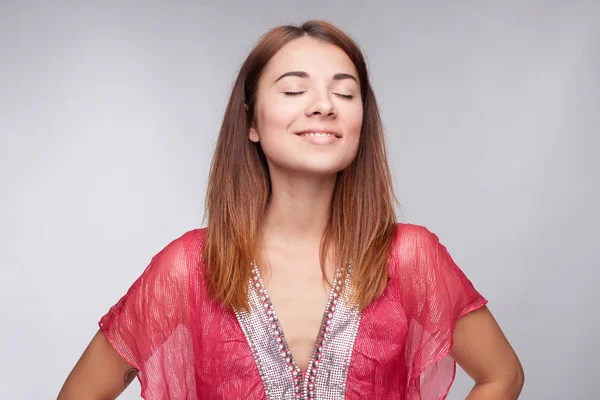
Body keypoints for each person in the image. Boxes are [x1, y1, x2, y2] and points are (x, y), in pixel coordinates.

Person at [58, 20, 524, 400]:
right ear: (252, 123)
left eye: (345, 93)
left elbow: (501, 375)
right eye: (294, 90)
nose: (323, 106)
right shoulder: (189, 268)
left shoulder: (410, 257)